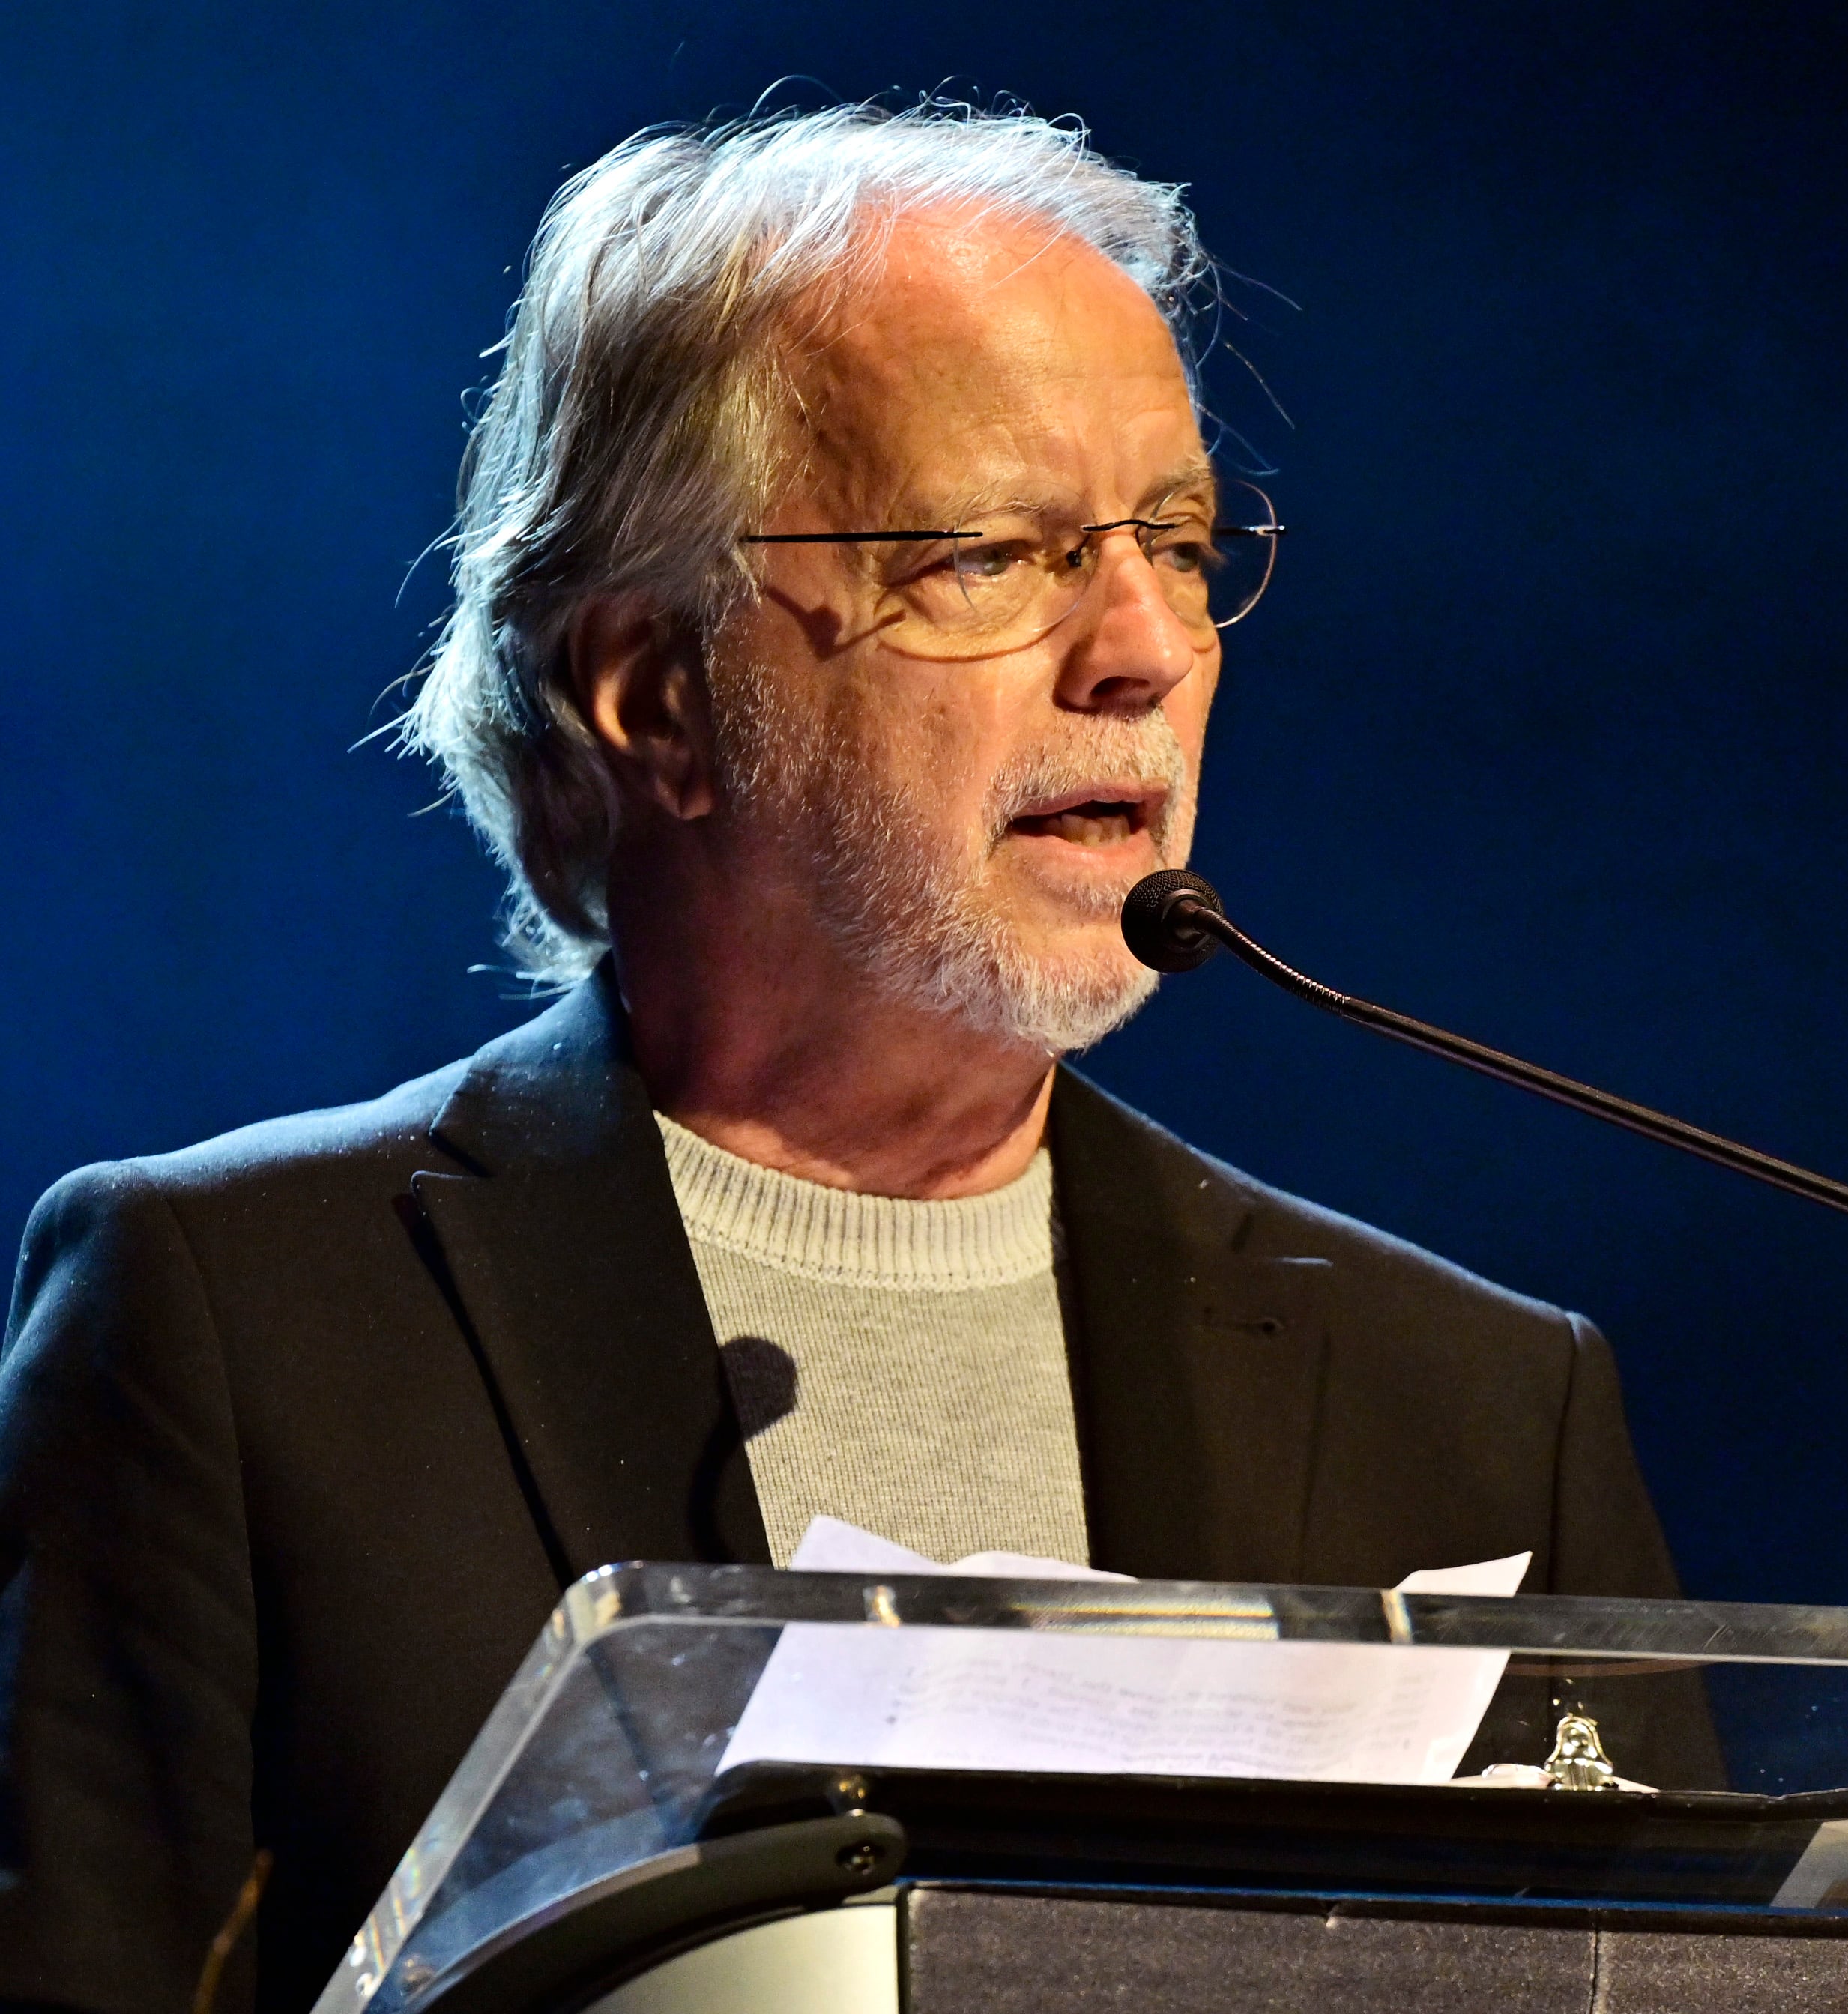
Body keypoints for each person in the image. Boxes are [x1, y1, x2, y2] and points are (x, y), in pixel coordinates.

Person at [0, 106, 1703, 2014]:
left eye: (1177, 541)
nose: (1145, 647)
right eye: (992, 554)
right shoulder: (239, 1326)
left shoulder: (1477, 1407)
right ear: (657, 695)